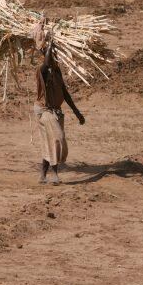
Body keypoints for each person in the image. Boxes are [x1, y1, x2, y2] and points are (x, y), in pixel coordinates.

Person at [34, 40, 85, 185]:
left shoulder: (56, 71)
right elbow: (46, 62)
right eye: (52, 55)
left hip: (56, 111)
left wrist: (77, 113)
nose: (55, 57)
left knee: (49, 142)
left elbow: (64, 92)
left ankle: (43, 175)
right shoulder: (41, 71)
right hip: (44, 110)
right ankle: (55, 175)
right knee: (57, 138)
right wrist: (49, 46)